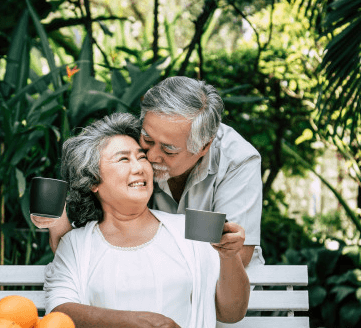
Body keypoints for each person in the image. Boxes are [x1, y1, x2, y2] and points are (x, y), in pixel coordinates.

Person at [33, 76, 264, 268]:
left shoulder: (238, 159)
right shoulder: (132, 144)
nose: (151, 157)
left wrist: (150, 233)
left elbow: (236, 254)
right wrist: (59, 219)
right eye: (148, 139)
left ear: (205, 146)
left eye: (169, 150)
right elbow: (90, 241)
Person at [44, 113, 250, 328]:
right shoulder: (76, 244)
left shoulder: (190, 228)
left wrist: (229, 256)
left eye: (142, 157)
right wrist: (138, 322)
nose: (140, 168)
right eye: (123, 159)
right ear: (92, 180)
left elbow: (231, 313)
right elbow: (60, 311)